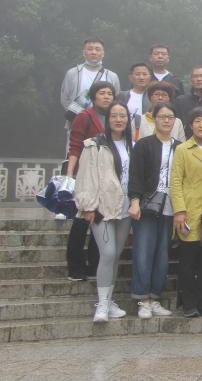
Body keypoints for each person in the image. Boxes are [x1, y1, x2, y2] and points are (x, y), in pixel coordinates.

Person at [74, 101, 132, 322]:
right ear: (107, 120)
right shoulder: (94, 145)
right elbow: (85, 176)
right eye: (114, 115)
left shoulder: (132, 145)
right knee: (107, 253)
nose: (118, 119)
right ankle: (102, 304)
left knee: (115, 255)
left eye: (122, 116)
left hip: (125, 207)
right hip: (102, 207)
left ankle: (110, 300)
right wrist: (88, 206)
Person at [127, 103, 179, 319]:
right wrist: (134, 200)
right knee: (143, 252)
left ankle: (155, 297)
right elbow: (135, 175)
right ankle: (143, 300)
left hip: (171, 207)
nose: (166, 120)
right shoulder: (144, 145)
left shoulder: (181, 147)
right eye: (162, 117)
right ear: (154, 119)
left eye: (170, 117)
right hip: (147, 206)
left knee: (162, 255)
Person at [170, 107, 202, 317]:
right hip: (190, 211)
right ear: (191, 126)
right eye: (197, 121)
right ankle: (188, 303)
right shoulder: (183, 149)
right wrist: (179, 211)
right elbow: (175, 181)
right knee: (188, 261)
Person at [65, 80, 116, 281]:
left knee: (101, 220)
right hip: (86, 176)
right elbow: (75, 145)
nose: (106, 97)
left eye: (109, 93)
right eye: (102, 93)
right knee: (81, 222)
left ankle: (94, 265)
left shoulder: (114, 117)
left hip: (107, 178)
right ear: (94, 96)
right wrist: (70, 173)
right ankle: (75, 267)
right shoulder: (85, 116)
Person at [60, 38, 120, 149]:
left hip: (103, 124)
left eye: (97, 49)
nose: (93, 52)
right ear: (83, 52)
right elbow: (65, 98)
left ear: (103, 53)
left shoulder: (112, 76)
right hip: (77, 122)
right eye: (90, 49)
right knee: (75, 151)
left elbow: (115, 100)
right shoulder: (73, 73)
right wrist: (78, 116)